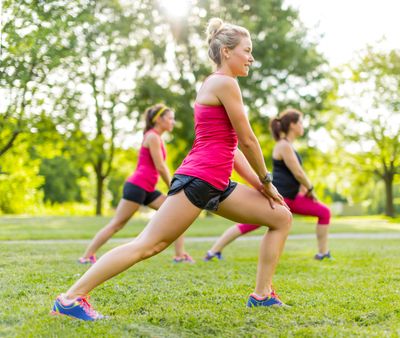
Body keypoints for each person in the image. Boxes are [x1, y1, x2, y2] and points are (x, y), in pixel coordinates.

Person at [51, 17, 292, 321]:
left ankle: (262, 295)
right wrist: (267, 180)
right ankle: (71, 298)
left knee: (281, 217)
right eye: (247, 50)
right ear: (227, 52)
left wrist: (260, 185)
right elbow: (247, 140)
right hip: (199, 179)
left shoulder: (217, 84)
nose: (251, 57)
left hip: (215, 181)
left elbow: (231, 150)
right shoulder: (224, 83)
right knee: (149, 245)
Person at [204, 109, 332, 262]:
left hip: (292, 198)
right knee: (248, 224)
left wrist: (304, 190)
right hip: (277, 197)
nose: (302, 126)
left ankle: (323, 253)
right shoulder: (283, 145)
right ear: (292, 125)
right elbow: (298, 172)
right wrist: (311, 189)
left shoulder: (288, 146)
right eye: (300, 122)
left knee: (324, 212)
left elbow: (293, 175)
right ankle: (213, 252)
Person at [77, 104, 194, 265]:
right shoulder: (152, 136)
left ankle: (180, 255)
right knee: (117, 224)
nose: (173, 122)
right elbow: (160, 166)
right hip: (137, 186)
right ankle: (87, 256)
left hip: (148, 189)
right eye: (170, 118)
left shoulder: (156, 137)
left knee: (178, 216)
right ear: (159, 119)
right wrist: (174, 186)